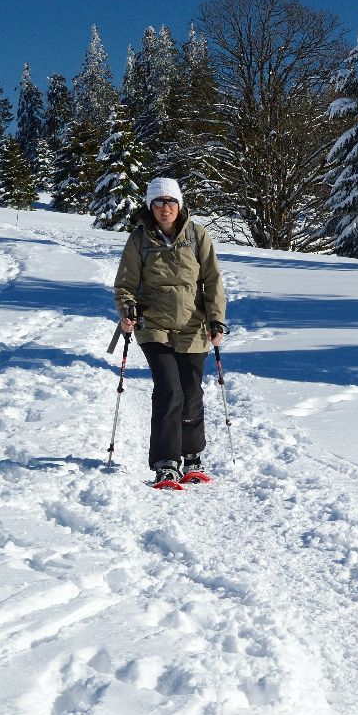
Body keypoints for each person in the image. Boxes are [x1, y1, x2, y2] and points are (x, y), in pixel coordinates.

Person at [114, 178, 227, 490]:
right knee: (169, 390)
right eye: (159, 202)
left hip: (194, 326)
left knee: (192, 392)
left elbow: (213, 281)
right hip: (154, 326)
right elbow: (125, 284)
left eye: (170, 202)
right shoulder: (139, 239)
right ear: (150, 206)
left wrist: (216, 319)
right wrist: (128, 311)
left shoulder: (196, 234)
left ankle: (191, 456)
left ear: (180, 205)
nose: (165, 208)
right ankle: (166, 461)